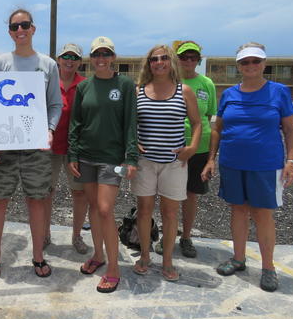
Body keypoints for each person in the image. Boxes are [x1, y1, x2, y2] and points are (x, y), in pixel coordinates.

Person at [202, 43, 293, 292]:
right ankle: (239, 258)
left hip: (266, 165)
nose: (251, 66)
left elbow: (290, 129)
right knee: (238, 210)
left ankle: (268, 267)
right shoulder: (230, 94)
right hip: (232, 163)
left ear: (264, 64)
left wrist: (291, 161)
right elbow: (218, 129)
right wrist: (212, 158)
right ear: (239, 67)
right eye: (245, 62)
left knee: (263, 214)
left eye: (256, 61)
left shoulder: (278, 92)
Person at [0, 8, 62, 279]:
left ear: (33, 28)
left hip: (36, 146)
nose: (20, 30)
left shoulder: (48, 64)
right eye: (15, 27)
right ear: (9, 32)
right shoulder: (0, 63)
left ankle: (38, 256)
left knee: (37, 200)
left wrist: (50, 130)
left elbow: (54, 104)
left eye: (24, 25)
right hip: (4, 144)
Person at [67, 37, 139, 293]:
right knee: (94, 209)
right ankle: (98, 255)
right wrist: (72, 154)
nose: (101, 58)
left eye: (106, 53)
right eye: (97, 54)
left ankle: (113, 268)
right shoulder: (84, 87)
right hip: (86, 157)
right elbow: (76, 123)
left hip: (112, 159)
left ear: (113, 57)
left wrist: (131, 157)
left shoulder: (126, 85)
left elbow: (131, 122)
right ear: (91, 58)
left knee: (106, 209)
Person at [131, 44, 201, 282]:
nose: (158, 62)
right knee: (144, 211)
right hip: (145, 162)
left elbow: (197, 122)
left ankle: (168, 260)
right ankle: (145, 256)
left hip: (174, 162)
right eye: (153, 59)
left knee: (170, 213)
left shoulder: (185, 91)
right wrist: (132, 142)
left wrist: (191, 148)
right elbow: (128, 121)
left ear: (171, 61)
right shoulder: (138, 90)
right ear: (148, 63)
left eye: (163, 58)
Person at [153, 41, 216, 258]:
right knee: (167, 196)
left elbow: (208, 120)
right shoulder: (168, 81)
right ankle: (166, 235)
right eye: (184, 57)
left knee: (190, 195)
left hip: (197, 149)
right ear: (176, 59)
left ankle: (186, 237)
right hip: (169, 148)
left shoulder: (207, 83)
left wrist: (208, 156)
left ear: (199, 59)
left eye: (193, 57)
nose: (189, 61)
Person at [45, 43, 90, 254]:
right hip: (50, 147)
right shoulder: (48, 81)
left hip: (76, 150)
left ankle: (77, 235)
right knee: (46, 192)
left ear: (80, 62)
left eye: (74, 57)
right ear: (58, 59)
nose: (69, 60)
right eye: (65, 56)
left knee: (79, 193)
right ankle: (44, 233)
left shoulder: (86, 85)